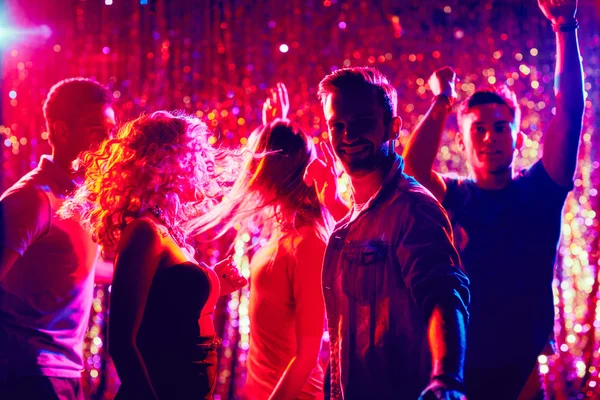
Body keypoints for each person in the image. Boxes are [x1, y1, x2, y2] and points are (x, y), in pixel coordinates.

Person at [401, 0, 585, 398]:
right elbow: (411, 171)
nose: (490, 137)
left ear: (517, 139)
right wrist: (440, 102)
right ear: (464, 141)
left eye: (501, 128)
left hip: (522, 373)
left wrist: (564, 27)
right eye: (479, 129)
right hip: (455, 370)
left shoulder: (539, 191)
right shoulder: (453, 196)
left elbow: (569, 113)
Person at [61, 111, 247, 400]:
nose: (202, 167)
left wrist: (215, 284)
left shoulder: (165, 229)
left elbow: (169, 311)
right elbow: (123, 343)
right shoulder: (144, 232)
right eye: (194, 157)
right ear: (167, 162)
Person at [312, 67, 470, 400]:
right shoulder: (347, 224)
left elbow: (444, 296)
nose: (348, 135)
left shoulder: (413, 209)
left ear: (393, 127)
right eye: (336, 125)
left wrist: (446, 380)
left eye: (362, 122)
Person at [189, 83, 332, 400]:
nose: (248, 168)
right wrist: (275, 128)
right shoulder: (283, 230)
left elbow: (307, 355)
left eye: (256, 159)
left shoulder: (308, 243)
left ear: (272, 167)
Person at [0, 78, 115, 400]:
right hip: (29, 373)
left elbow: (79, 271)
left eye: (111, 130)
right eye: (96, 129)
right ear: (61, 130)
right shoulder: (33, 199)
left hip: (62, 372)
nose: (109, 141)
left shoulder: (79, 200)